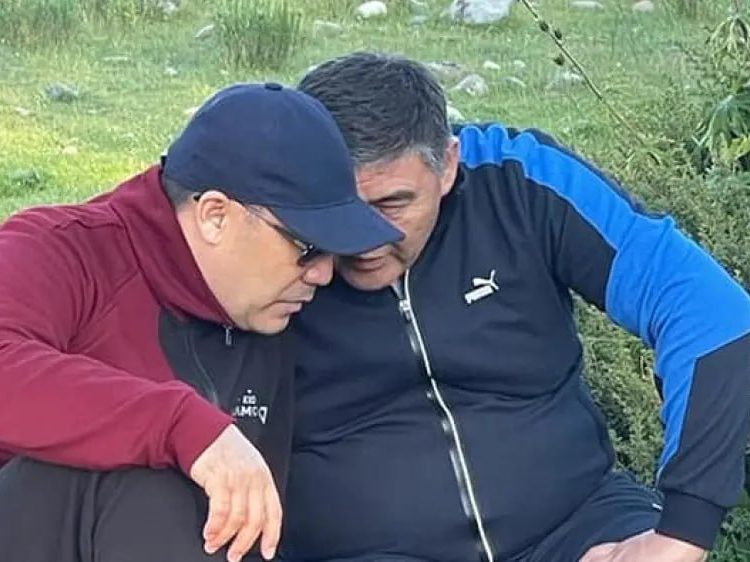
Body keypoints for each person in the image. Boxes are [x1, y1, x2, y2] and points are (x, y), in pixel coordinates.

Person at [278, 52, 750, 562]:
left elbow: (711, 314)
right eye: (341, 210)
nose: (365, 239)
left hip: (578, 523)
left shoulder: (519, 181)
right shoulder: (267, 223)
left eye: (393, 204)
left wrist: (683, 528)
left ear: (447, 165)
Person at [0, 81, 401, 562]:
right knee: (139, 475)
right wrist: (181, 426)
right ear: (215, 215)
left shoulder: (270, 310)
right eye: (308, 247)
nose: (323, 274)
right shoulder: (61, 250)